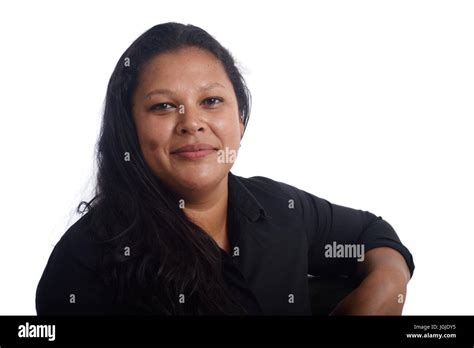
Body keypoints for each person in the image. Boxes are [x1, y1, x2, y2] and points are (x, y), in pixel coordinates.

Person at [36, 22, 415, 316]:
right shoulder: (83, 264)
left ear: (241, 120)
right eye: (163, 106)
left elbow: (372, 235)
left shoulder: (280, 207)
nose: (192, 122)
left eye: (212, 100)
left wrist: (385, 286)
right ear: (128, 130)